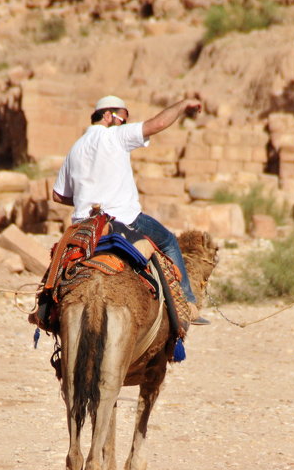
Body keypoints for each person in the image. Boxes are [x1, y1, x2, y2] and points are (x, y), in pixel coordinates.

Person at [52, 95, 206, 323]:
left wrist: (86, 198)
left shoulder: (76, 148)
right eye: (123, 117)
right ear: (107, 115)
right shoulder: (114, 136)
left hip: (83, 227)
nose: (126, 122)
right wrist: (183, 105)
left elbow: (58, 195)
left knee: (57, 269)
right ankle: (187, 306)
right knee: (170, 242)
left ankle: (46, 311)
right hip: (123, 220)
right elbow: (158, 124)